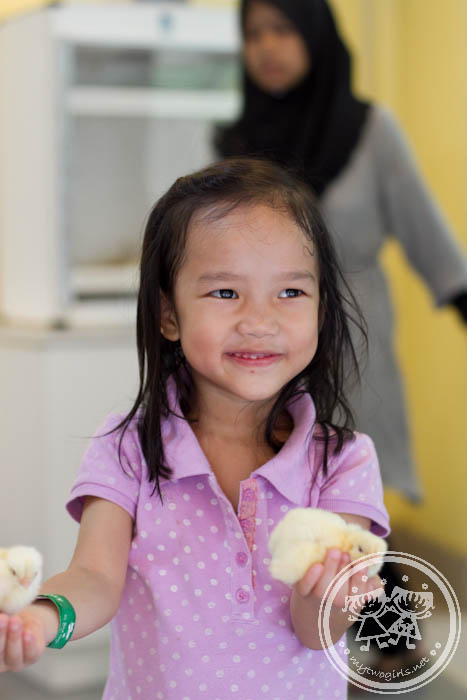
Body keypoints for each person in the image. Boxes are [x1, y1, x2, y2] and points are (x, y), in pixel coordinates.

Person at [0, 158, 390, 698]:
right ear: (168, 315)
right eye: (226, 293)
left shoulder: (344, 461)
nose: (260, 319)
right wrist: (41, 617)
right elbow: (95, 579)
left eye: (291, 293)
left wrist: (335, 593)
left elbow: (313, 629)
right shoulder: (127, 447)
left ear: (322, 311)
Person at [215, 0, 467, 504]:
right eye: (254, 34)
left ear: (316, 35)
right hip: (263, 344)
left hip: (354, 339)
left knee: (353, 501)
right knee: (271, 496)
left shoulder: (370, 130)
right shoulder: (235, 145)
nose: (267, 46)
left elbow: (427, 233)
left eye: (283, 29)